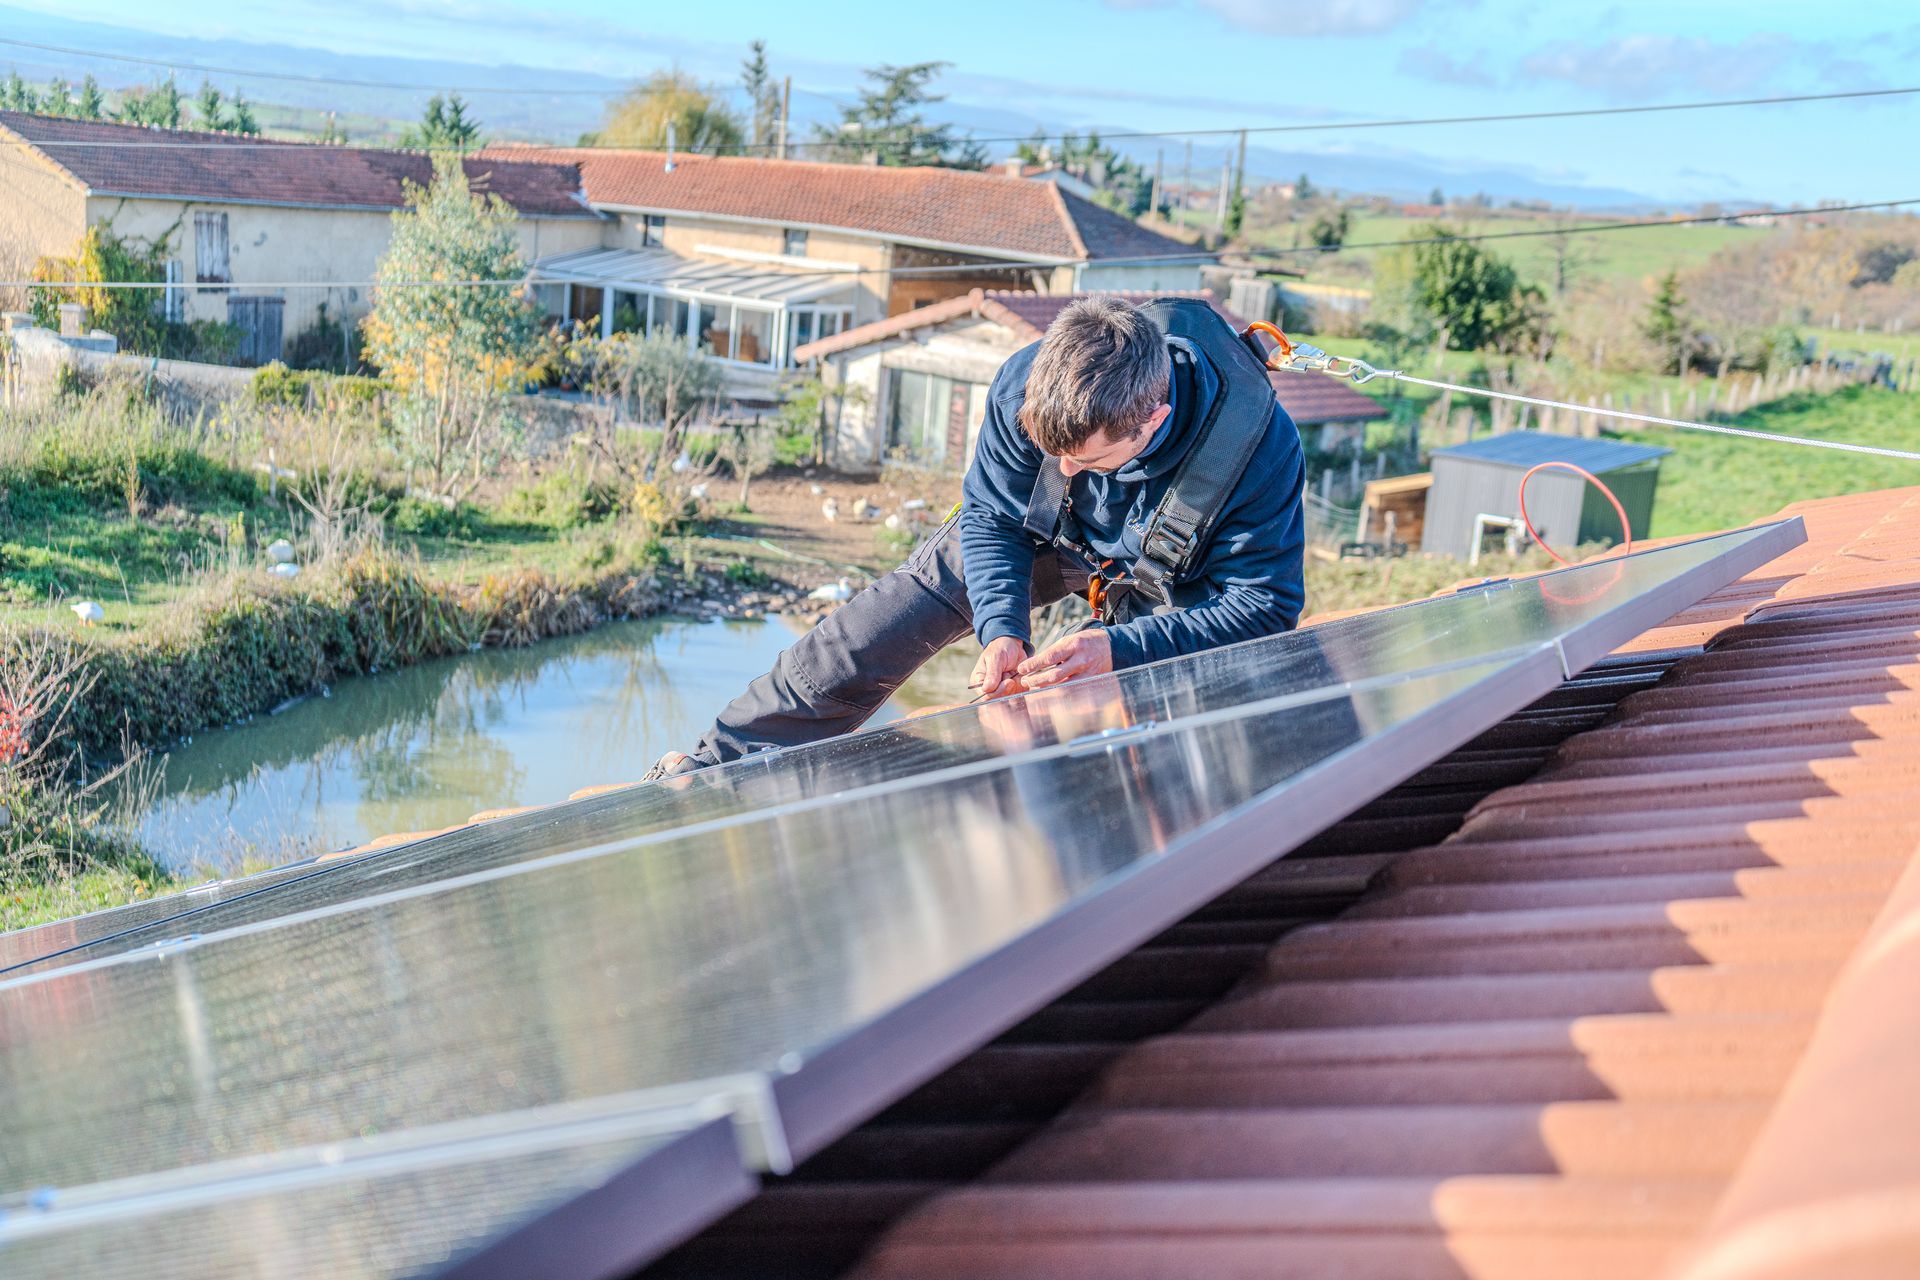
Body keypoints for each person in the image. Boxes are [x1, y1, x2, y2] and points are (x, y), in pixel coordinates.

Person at [643, 295, 1306, 780]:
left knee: (1159, 721)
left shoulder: (1256, 449)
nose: (1067, 471)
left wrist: (1118, 647)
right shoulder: (1027, 382)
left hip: (1179, 571)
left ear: (1153, 419)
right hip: (1049, 532)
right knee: (867, 635)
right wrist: (1001, 628)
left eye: (1089, 460)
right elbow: (991, 514)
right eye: (1056, 455)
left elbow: (1262, 606)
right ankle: (715, 766)